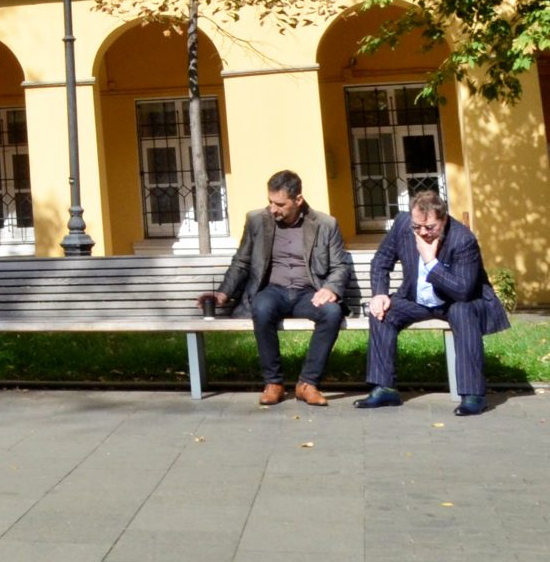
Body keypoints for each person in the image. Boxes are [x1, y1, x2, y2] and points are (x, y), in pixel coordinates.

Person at [201, 169, 356, 407]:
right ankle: (273, 382)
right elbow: (242, 261)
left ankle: (308, 383)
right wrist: (223, 293)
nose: (273, 209)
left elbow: (340, 265)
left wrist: (332, 289)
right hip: (274, 290)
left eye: (280, 204)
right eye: (270, 202)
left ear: (298, 200)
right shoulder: (257, 220)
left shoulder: (325, 224)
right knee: (261, 308)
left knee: (332, 313)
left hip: (308, 292)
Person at [359, 188, 512, 416]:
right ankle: (384, 388)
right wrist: (380, 293)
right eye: (417, 227)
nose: (423, 233)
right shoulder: (403, 224)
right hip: (417, 298)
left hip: (459, 300)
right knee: (382, 312)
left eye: (430, 227)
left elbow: (463, 291)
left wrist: (430, 261)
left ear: (444, 219)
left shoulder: (463, 239)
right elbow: (381, 259)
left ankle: (473, 395)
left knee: (462, 312)